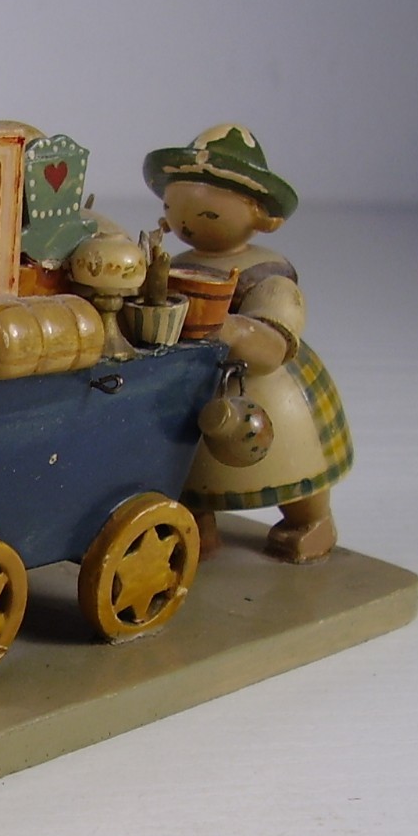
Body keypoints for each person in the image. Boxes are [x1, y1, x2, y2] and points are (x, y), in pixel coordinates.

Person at [143, 124, 352, 562]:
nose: (185, 224)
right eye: (172, 210)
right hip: (192, 383)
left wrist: (232, 329)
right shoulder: (174, 264)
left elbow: (274, 345)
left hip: (260, 386)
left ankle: (311, 520)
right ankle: (196, 524)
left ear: (262, 217)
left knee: (292, 460)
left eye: (208, 215)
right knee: (184, 464)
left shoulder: (268, 275)